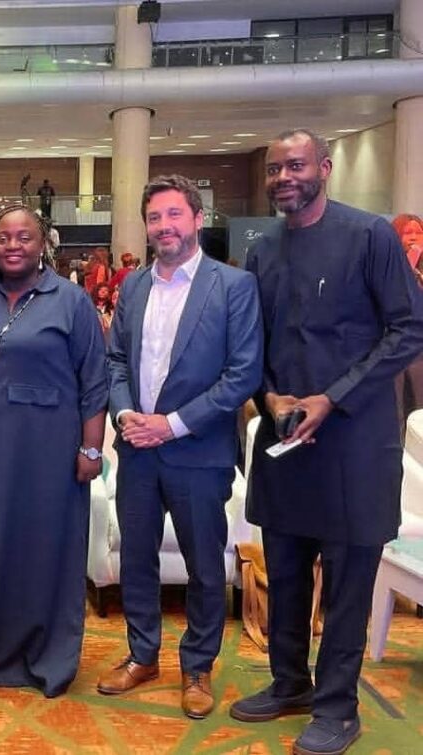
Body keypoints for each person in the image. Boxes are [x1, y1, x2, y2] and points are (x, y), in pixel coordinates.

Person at [230, 129, 423, 755]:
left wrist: (332, 397)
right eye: (274, 169)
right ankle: (290, 684)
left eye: (296, 165)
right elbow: (252, 343)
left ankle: (339, 707)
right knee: (285, 574)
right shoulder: (262, 250)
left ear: (325, 168)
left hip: (354, 444)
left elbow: (409, 327)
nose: (284, 177)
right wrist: (269, 398)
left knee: (345, 586)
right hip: (285, 443)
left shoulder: (370, 237)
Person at [98, 175, 263, 718]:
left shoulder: (233, 286)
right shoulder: (133, 287)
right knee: (137, 561)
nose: (164, 226)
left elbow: (242, 375)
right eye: (154, 218)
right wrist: (126, 415)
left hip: (199, 453)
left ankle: (197, 667)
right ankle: (142, 655)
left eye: (174, 215)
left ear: (197, 218)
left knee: (205, 567)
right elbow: (115, 361)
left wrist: (170, 425)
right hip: (138, 452)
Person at [0, 205, 107, 698]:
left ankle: (48, 660)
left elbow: (95, 380)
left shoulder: (71, 300)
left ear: (44, 244)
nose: (13, 246)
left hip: (49, 447)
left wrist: (91, 448)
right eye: (3, 238)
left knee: (45, 549)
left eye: (24, 237)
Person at [392, 213, 423, 427]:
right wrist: (409, 265)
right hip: (399, 351)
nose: (413, 237)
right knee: (399, 412)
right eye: (406, 232)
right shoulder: (390, 267)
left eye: (418, 232)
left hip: (421, 353)